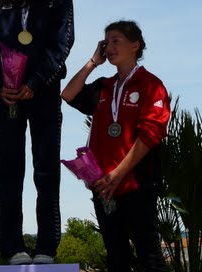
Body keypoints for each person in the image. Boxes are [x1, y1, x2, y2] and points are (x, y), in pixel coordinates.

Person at [0, 0, 75, 265]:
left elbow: (62, 43)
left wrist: (35, 81)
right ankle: (12, 247)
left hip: (43, 92)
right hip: (6, 97)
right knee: (6, 170)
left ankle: (47, 246)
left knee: (45, 169)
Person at [61, 20, 170, 272]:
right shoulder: (105, 86)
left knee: (149, 255)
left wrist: (117, 175)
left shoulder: (150, 84)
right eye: (106, 42)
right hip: (104, 186)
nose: (109, 47)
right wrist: (93, 62)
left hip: (137, 183)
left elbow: (150, 135)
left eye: (116, 41)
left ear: (135, 45)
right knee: (116, 255)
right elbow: (68, 95)